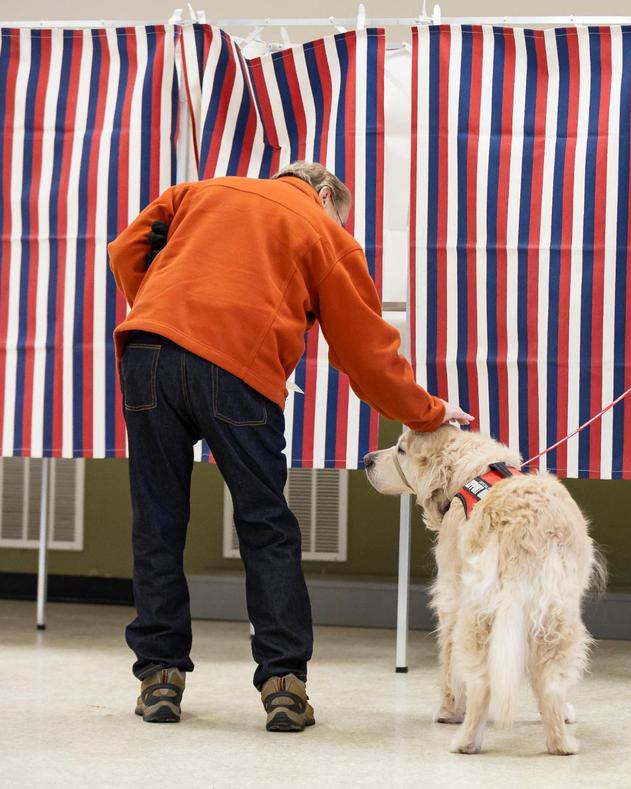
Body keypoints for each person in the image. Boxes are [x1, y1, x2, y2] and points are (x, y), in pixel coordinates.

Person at [108, 161, 472, 731]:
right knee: (264, 524)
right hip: (236, 369)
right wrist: (427, 411)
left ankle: (159, 678)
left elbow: (127, 247)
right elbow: (365, 355)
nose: (341, 225)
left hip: (148, 354)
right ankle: (283, 684)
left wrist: (165, 310)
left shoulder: (197, 192)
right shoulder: (324, 231)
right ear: (326, 194)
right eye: (341, 215)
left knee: (156, 519)